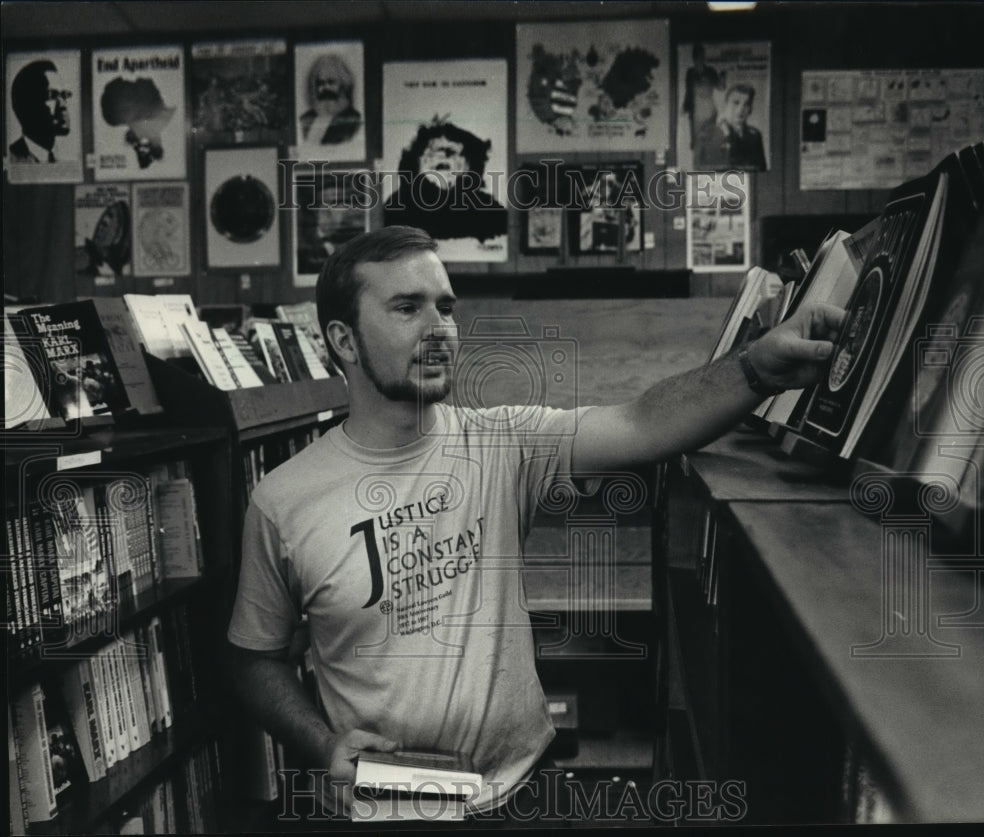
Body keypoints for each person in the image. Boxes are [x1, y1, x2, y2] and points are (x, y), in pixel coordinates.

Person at [227, 226, 843, 821]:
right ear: (342, 339)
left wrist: (755, 369)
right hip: (393, 804)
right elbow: (254, 661)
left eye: (446, 308)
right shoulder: (284, 501)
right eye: (407, 308)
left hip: (523, 792)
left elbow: (641, 424)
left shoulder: (502, 441)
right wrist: (322, 745)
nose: (439, 329)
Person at [384, 120, 507, 243]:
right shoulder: (397, 207)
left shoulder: (489, 211)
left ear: (470, 163)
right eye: (431, 153)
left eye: (450, 152)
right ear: (416, 160)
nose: (441, 156)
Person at [8, 59, 71, 163]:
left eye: (64, 95)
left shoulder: (68, 159)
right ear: (27, 104)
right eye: (52, 95)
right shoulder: (11, 159)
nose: (63, 105)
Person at [695, 83, 768, 172]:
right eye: (736, 103)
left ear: (750, 109)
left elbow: (761, 171)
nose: (741, 109)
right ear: (726, 104)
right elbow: (699, 173)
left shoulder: (755, 136)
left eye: (746, 104)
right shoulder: (706, 135)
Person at [299, 54, 362, 146]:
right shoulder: (305, 119)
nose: (325, 88)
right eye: (320, 83)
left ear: (343, 85)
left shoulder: (353, 118)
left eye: (331, 82)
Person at [682, 43, 721, 150]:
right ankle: (697, 161)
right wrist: (685, 106)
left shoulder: (710, 71)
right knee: (696, 141)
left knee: (709, 138)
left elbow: (719, 86)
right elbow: (688, 90)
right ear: (694, 58)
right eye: (697, 57)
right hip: (695, 112)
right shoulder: (690, 73)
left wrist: (723, 78)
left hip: (708, 109)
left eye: (701, 56)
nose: (700, 59)